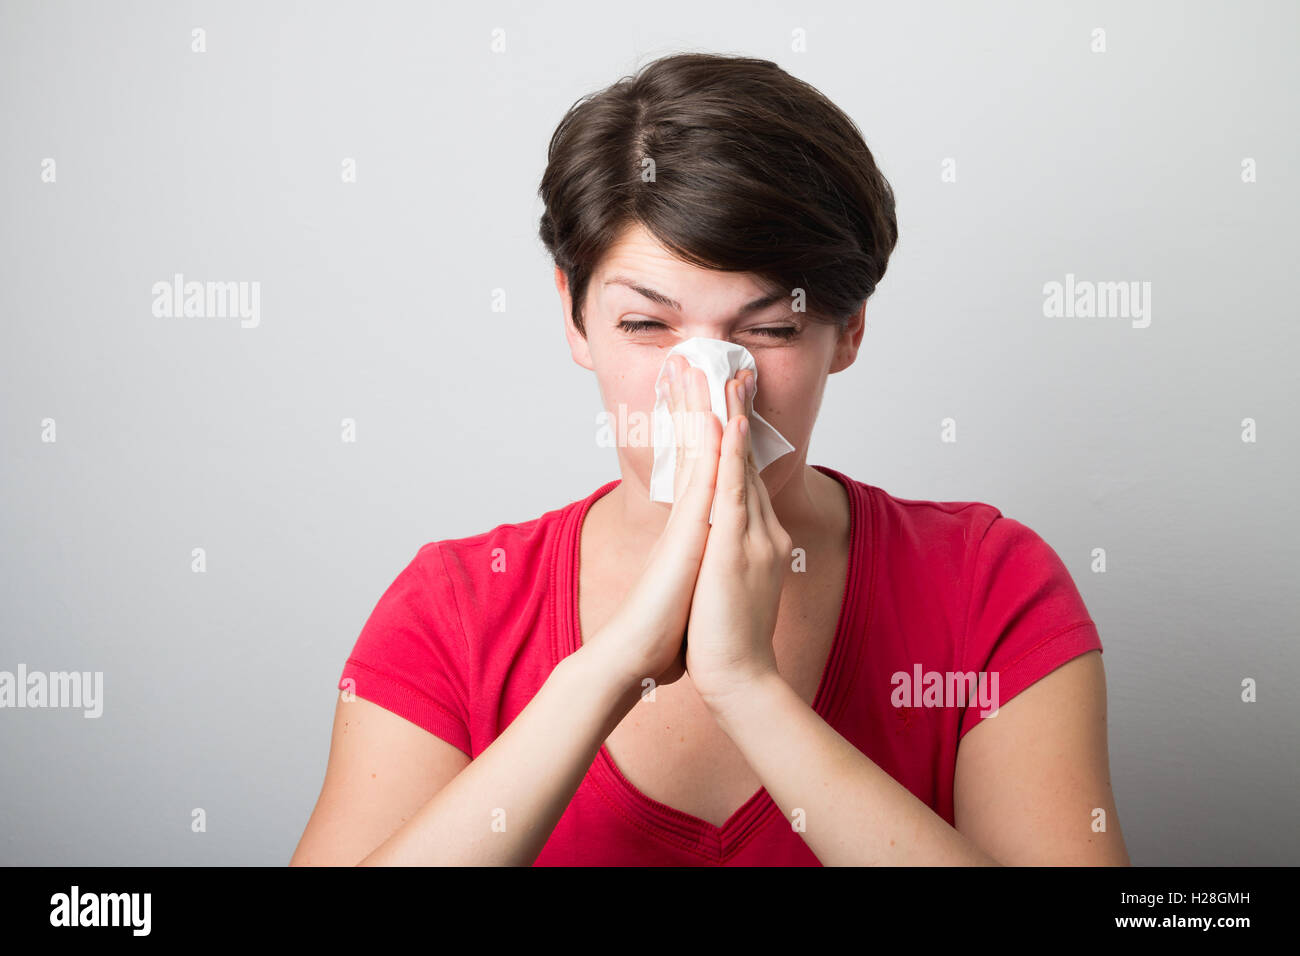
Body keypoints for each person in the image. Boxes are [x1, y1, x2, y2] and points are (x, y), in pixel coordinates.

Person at [291, 52, 1130, 866]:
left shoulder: (988, 590)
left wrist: (747, 689)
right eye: (647, 326)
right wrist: (612, 668)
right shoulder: (454, 611)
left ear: (851, 331)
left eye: (768, 329)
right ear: (575, 318)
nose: (709, 383)